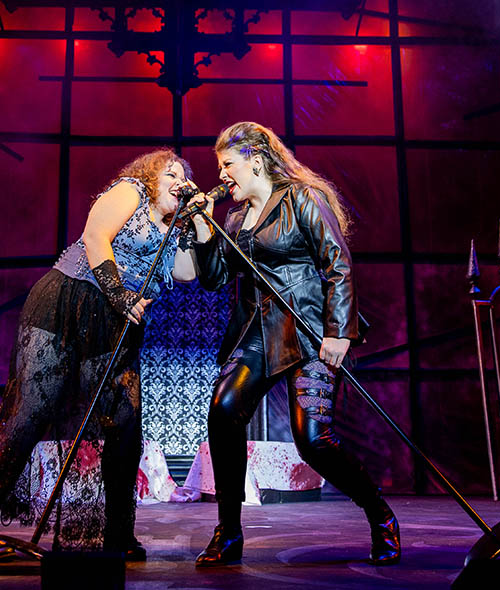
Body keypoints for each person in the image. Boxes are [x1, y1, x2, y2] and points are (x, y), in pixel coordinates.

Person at [0, 149, 195, 563]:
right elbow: (95, 237)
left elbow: (188, 272)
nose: (179, 180)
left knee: (124, 425)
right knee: (30, 412)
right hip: (68, 302)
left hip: (115, 323)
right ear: (151, 177)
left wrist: (194, 219)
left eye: (184, 175)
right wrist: (120, 292)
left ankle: (119, 534)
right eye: (171, 173)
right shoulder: (132, 191)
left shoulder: (173, 230)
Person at [186, 122, 400, 566]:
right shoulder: (233, 218)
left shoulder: (301, 198)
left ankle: (380, 515)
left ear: (256, 161)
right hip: (257, 336)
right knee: (224, 412)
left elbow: (337, 261)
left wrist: (339, 330)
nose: (222, 174)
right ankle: (228, 533)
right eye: (219, 166)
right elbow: (214, 278)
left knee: (313, 441)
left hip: (306, 331)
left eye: (228, 164)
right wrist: (203, 229)